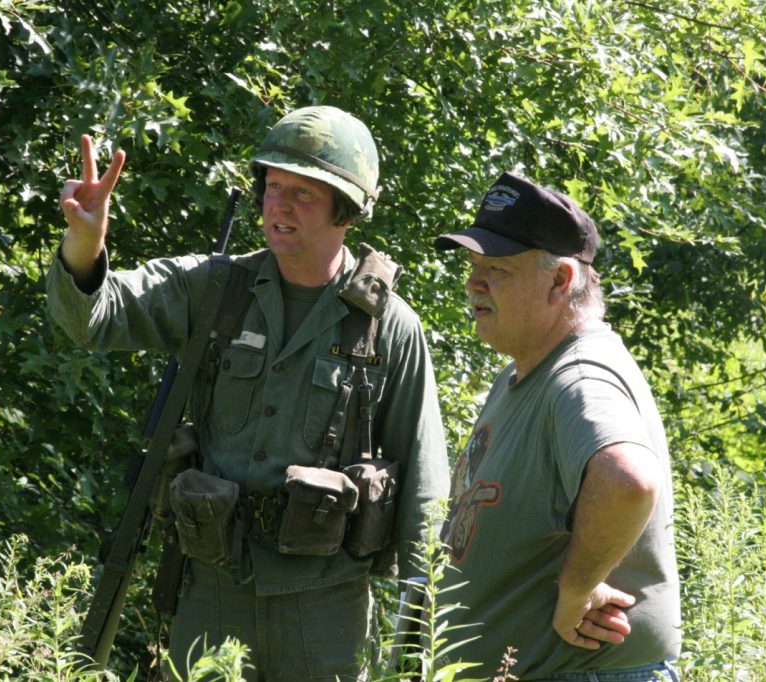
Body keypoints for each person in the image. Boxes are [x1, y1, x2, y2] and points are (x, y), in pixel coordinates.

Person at [46, 105, 450, 681]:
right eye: (273, 186)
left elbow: (424, 496)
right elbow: (93, 319)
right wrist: (84, 241)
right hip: (212, 592)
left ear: (347, 211)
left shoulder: (389, 328)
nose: (279, 206)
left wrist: (416, 650)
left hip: (325, 609)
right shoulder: (216, 288)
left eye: (304, 194)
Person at [432, 172, 682, 681]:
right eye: (473, 266)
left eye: (496, 268)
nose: (473, 283)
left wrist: (577, 589)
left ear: (560, 281)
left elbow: (628, 479)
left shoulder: (579, 375)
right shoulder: (528, 369)